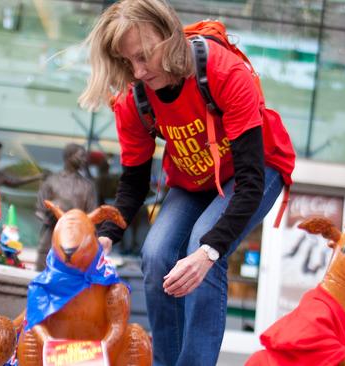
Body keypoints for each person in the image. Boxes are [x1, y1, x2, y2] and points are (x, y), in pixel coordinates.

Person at [78, 1, 296, 364]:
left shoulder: (224, 71)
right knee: (156, 253)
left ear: (168, 33)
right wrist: (103, 237)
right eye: (128, 61)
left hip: (256, 172)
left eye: (144, 56)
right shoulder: (133, 98)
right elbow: (133, 184)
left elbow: (251, 181)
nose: (139, 70)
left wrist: (209, 253)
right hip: (194, 179)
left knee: (203, 244)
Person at [35, 143, 97, 271]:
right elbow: (40, 210)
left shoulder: (87, 186)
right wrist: (52, 216)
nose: (84, 160)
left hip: (75, 244)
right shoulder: (51, 181)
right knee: (42, 277)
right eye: (81, 156)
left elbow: (92, 216)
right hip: (49, 240)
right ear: (69, 156)